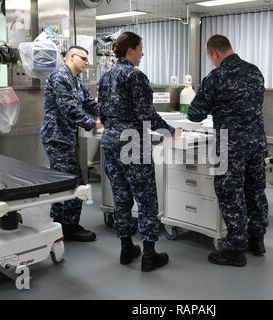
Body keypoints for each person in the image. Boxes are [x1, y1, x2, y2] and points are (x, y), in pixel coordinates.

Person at [98, 32, 182, 272]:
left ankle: (126, 248)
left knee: (121, 197)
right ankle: (149, 254)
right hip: (132, 143)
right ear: (131, 50)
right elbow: (147, 114)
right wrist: (170, 130)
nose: (143, 53)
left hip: (110, 141)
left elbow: (101, 113)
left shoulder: (105, 77)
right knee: (146, 199)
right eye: (141, 48)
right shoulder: (135, 76)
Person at [188, 35, 268, 267]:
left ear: (215, 53)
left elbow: (195, 114)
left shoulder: (216, 77)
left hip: (230, 145)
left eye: (210, 58)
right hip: (256, 143)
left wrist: (214, 104)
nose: (212, 62)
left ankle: (235, 248)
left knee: (230, 194)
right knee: (255, 191)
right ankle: (257, 239)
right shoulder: (255, 72)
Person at [40, 45, 102, 242]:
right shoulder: (60, 77)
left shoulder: (74, 79)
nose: (87, 63)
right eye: (83, 58)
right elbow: (69, 108)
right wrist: (92, 123)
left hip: (64, 136)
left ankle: (58, 223)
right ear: (72, 57)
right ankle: (70, 226)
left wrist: (108, 112)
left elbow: (88, 102)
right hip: (57, 137)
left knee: (61, 181)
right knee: (74, 181)